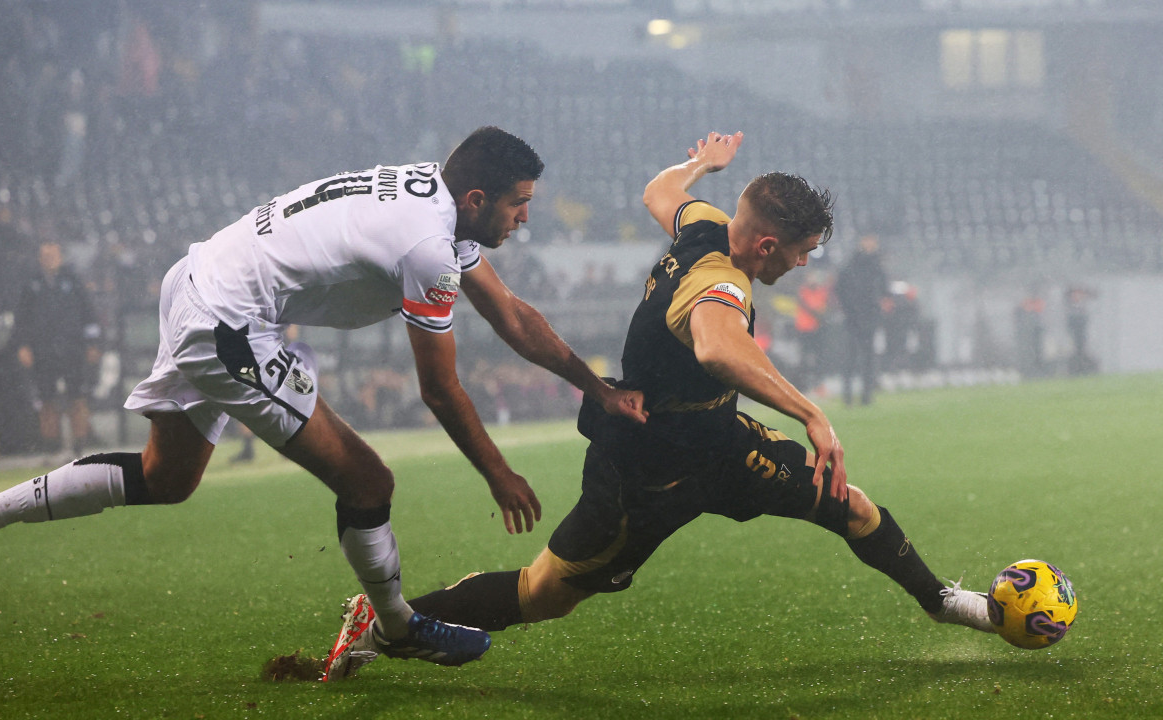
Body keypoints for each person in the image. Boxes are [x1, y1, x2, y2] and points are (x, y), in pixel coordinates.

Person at [0, 127, 647, 669]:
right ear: (478, 197)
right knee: (368, 480)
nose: (525, 217)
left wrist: (596, 387)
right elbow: (439, 388)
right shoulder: (426, 241)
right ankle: (399, 627)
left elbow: (512, 316)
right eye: (519, 204)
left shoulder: (443, 209)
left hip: (197, 279)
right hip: (227, 319)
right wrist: (497, 472)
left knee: (166, 479)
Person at [320, 131, 994, 681]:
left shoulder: (705, 223)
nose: (805, 263)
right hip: (644, 472)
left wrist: (700, 164)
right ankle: (379, 624)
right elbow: (717, 350)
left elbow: (659, 190)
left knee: (848, 503)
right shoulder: (718, 282)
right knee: (544, 595)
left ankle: (941, 601)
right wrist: (813, 415)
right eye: (802, 252)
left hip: (719, 442)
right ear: (767, 245)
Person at [13, 241, 102, 454]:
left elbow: (89, 313)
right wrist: (23, 345)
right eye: (45, 255)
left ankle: (79, 445)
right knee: (47, 400)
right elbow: (22, 319)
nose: (49, 259)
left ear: (60, 257)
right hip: (43, 350)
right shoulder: (31, 285)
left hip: (73, 348)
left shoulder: (73, 281)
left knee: (77, 398)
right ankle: (51, 447)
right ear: (39, 258)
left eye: (53, 255)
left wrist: (93, 344)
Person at [834, 234, 887, 405]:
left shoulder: (875, 266)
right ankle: (849, 396)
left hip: (867, 317)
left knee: (866, 358)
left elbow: (883, 289)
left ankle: (866, 395)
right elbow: (841, 289)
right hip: (855, 318)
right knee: (852, 357)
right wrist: (851, 309)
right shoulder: (855, 266)